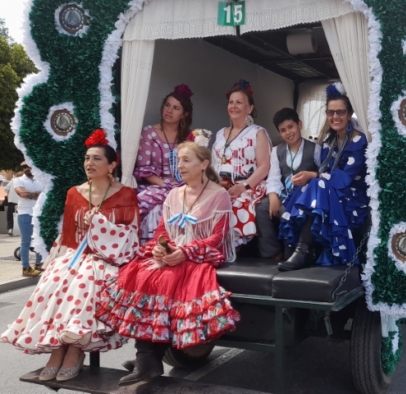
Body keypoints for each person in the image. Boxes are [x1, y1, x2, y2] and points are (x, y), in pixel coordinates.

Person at [96, 142, 240, 386]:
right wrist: (162, 249)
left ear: (204, 164)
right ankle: (148, 358)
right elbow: (163, 230)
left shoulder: (219, 195)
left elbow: (217, 237)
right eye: (178, 160)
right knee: (140, 273)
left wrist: (184, 252)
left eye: (186, 160)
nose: (179, 166)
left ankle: (147, 360)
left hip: (198, 256)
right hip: (174, 253)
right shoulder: (174, 193)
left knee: (164, 279)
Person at [1, 129, 139, 382]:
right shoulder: (74, 192)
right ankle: (57, 347)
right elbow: (68, 237)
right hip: (78, 255)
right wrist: (55, 263)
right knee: (54, 279)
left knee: (84, 280)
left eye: (97, 158)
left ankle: (75, 349)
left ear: (112, 165)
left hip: (108, 258)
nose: (89, 163)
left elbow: (130, 235)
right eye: (87, 158)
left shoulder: (125, 194)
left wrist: (100, 225)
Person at [278, 82, 369, 271]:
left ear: (349, 113)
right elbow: (326, 173)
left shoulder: (359, 140)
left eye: (340, 112)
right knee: (307, 188)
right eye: (330, 112)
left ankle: (300, 252)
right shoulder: (330, 141)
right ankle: (299, 251)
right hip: (330, 192)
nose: (335, 117)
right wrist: (315, 177)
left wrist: (313, 175)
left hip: (352, 197)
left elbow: (344, 179)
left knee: (316, 185)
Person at [210, 79, 271, 248]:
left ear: (250, 108)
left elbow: (264, 166)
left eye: (239, 102)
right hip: (221, 184)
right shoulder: (220, 133)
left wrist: (243, 186)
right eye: (231, 102)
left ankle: (230, 249)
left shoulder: (258, 133)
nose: (234, 106)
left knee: (233, 203)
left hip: (248, 185)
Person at [256, 108, 318, 260]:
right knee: (261, 208)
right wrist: (272, 197)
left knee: (288, 212)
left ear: (299, 125)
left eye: (291, 127)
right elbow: (274, 177)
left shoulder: (316, 149)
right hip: (285, 195)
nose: (288, 132)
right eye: (283, 130)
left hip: (304, 198)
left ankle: (293, 254)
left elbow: (322, 175)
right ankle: (272, 253)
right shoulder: (277, 151)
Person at [134, 84, 194, 241]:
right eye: (167, 105)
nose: (169, 110)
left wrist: (180, 185)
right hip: (155, 184)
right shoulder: (149, 133)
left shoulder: (189, 136)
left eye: (176, 108)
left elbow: (194, 166)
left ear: (184, 114)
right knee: (142, 203)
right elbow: (143, 169)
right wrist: (165, 185)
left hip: (182, 185)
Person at [13, 162, 44, 276]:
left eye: (29, 166)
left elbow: (46, 193)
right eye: (24, 167)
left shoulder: (40, 179)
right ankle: (25, 267)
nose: (27, 169)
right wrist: (38, 195)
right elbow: (22, 194)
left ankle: (38, 263)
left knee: (39, 239)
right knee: (26, 242)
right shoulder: (18, 180)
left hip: (38, 213)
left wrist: (33, 194)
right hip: (25, 213)